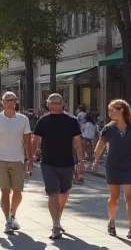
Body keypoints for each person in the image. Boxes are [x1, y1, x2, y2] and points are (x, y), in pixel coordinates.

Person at [32, 93, 84, 240]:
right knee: (53, 193)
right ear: (48, 105)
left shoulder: (71, 121)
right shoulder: (43, 121)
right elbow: (35, 141)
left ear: (62, 104)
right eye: (51, 103)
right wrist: (30, 158)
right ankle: (55, 224)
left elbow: (78, 143)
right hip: (48, 163)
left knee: (64, 193)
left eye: (56, 103)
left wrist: (81, 162)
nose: (53, 105)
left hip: (67, 163)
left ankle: (57, 218)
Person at [93, 99, 131, 241]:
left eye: (112, 110)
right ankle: (111, 221)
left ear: (122, 110)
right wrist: (96, 160)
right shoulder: (108, 128)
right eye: (109, 110)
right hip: (113, 166)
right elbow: (100, 145)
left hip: (129, 166)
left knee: (130, 197)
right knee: (114, 196)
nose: (109, 113)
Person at [0, 91, 34, 233]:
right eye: (7, 100)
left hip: (18, 160)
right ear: (2, 102)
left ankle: (13, 214)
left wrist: (30, 160)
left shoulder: (23, 119)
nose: (9, 102)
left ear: (16, 102)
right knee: (5, 191)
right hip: (1, 159)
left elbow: (28, 141)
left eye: (12, 100)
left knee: (18, 192)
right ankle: (8, 220)